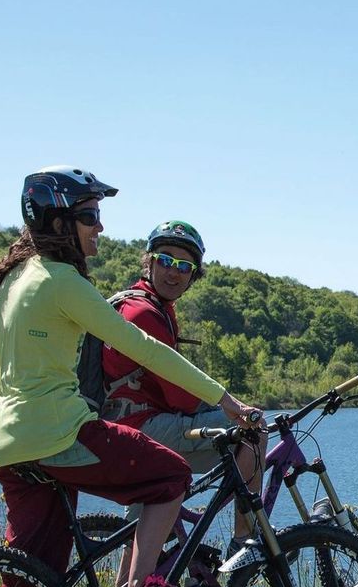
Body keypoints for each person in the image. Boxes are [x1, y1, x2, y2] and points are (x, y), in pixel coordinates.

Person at [0, 167, 260, 587]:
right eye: (89, 217)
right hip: (57, 431)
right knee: (171, 477)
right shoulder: (61, 280)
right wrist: (225, 402)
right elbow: (144, 350)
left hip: (11, 443)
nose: (99, 228)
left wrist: (16, 426)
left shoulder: (14, 281)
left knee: (31, 573)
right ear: (57, 223)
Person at [100, 220, 268, 567]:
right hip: (144, 427)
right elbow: (181, 398)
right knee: (253, 432)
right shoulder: (144, 313)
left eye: (184, 266)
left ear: (193, 276)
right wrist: (231, 405)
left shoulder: (142, 305)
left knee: (143, 534)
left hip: (122, 428)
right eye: (165, 260)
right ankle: (244, 539)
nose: (173, 272)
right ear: (149, 262)